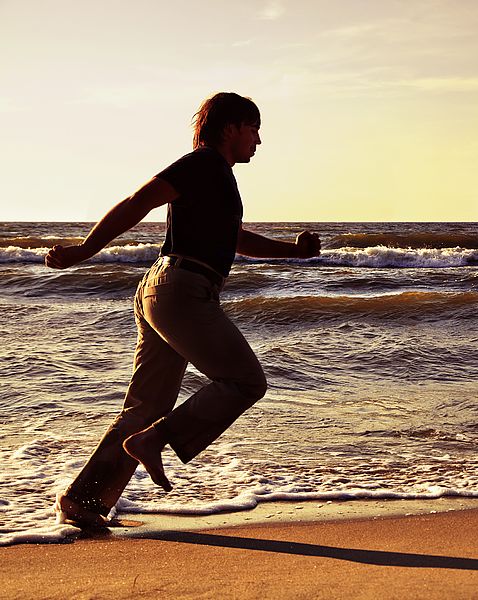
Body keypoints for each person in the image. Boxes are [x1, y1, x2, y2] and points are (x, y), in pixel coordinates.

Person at [44, 92, 321, 527]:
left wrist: (294, 252)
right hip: (182, 288)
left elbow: (234, 239)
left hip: (166, 288)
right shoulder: (204, 163)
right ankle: (156, 440)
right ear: (230, 128)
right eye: (254, 129)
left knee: (145, 406)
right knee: (245, 381)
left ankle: (85, 500)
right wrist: (86, 250)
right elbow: (140, 200)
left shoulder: (217, 177)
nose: (259, 141)